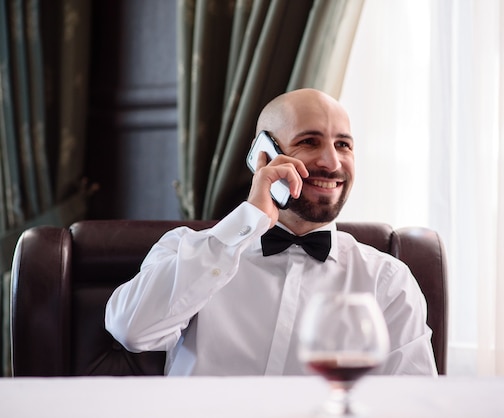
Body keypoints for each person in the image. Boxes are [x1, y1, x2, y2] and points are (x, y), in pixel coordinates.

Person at [105, 88, 437, 376]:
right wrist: (249, 219)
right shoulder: (186, 251)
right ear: (263, 156)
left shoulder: (388, 281)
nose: (332, 162)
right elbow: (131, 331)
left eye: (343, 145)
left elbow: (410, 401)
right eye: (310, 141)